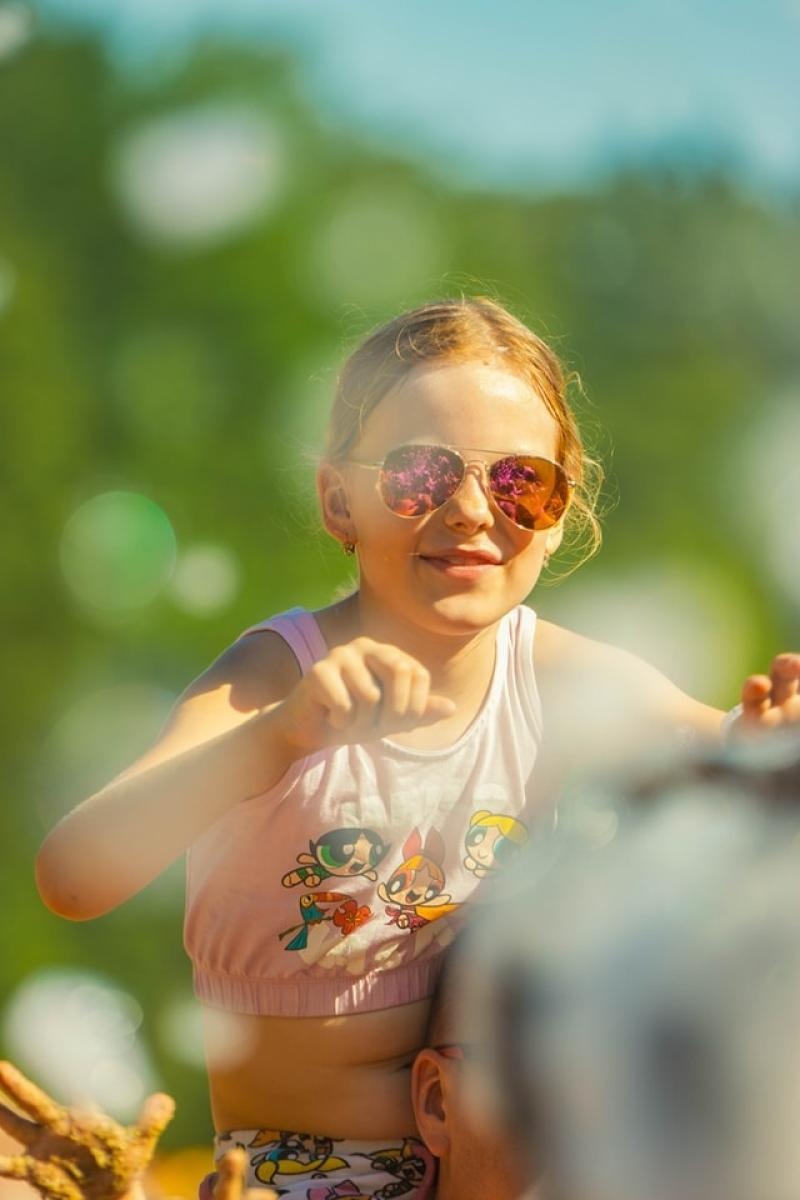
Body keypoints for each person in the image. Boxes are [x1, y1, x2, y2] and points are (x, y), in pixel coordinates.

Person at [33, 297, 800, 1196]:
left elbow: (726, 759)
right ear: (337, 498)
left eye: (521, 482)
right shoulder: (281, 675)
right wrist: (277, 739)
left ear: (559, 512)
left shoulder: (562, 678)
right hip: (296, 1173)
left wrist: (765, 741)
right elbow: (76, 877)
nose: (473, 511)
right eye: (421, 475)